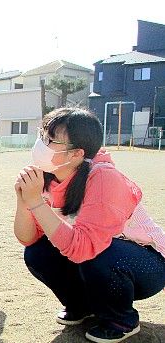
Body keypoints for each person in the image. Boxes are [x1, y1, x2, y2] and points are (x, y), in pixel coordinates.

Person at [14, 107, 165, 343]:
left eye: (50, 140)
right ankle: (83, 306)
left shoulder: (104, 177)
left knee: (96, 253)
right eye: (42, 135)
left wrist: (36, 203)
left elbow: (84, 248)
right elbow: (28, 238)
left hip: (147, 264)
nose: (41, 144)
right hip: (102, 257)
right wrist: (24, 201)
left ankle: (121, 319)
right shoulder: (48, 175)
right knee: (37, 253)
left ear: (76, 154)